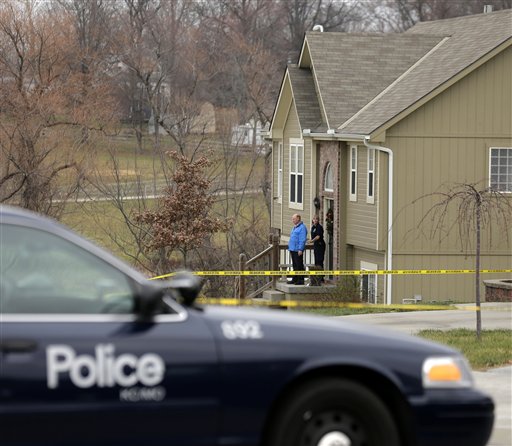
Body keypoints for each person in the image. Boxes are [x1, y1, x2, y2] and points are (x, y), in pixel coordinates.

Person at [288, 214, 307, 285]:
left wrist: (300, 249)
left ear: (298, 218)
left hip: (297, 250)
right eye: (292, 219)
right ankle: (295, 278)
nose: (292, 220)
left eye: (294, 219)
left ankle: (300, 280)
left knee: (299, 265)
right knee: (295, 265)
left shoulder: (302, 228)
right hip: (292, 249)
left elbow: (302, 239)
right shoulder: (295, 227)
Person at [310, 215, 326, 284]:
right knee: (316, 261)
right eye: (314, 219)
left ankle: (321, 277)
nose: (315, 220)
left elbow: (318, 237)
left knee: (320, 261)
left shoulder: (319, 227)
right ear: (312, 220)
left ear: (318, 220)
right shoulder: (313, 227)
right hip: (316, 245)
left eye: (316, 219)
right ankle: (317, 276)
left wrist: (312, 241)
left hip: (320, 245)